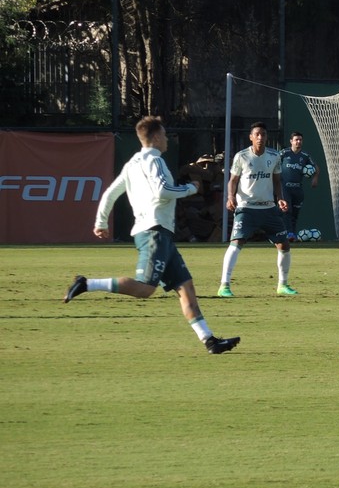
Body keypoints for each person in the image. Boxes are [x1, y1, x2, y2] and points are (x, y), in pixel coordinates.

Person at [62, 116, 240, 354]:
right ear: (155, 137)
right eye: (164, 135)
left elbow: (110, 194)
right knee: (145, 289)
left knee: (185, 287)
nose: (166, 139)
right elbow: (163, 190)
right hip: (153, 232)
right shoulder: (154, 160)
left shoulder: (132, 163)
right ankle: (87, 283)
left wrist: (100, 221)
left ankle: (210, 340)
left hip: (160, 233)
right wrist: (190, 189)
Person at [218, 122, 298, 297]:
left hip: (268, 208)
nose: (260, 137)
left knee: (284, 245)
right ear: (251, 137)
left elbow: (276, 181)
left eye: (263, 134)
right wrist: (231, 197)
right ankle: (224, 285)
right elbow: (232, 181)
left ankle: (282, 285)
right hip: (246, 209)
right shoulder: (242, 156)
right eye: (257, 134)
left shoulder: (274, 156)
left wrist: (280, 198)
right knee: (236, 243)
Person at [279, 131, 320, 241]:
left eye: (300, 140)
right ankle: (288, 234)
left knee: (295, 213)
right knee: (287, 210)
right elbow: (274, 164)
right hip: (284, 187)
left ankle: (292, 234)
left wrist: (315, 178)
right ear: (291, 141)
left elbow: (316, 168)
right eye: (296, 140)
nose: (298, 142)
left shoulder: (305, 156)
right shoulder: (284, 153)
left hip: (297, 188)